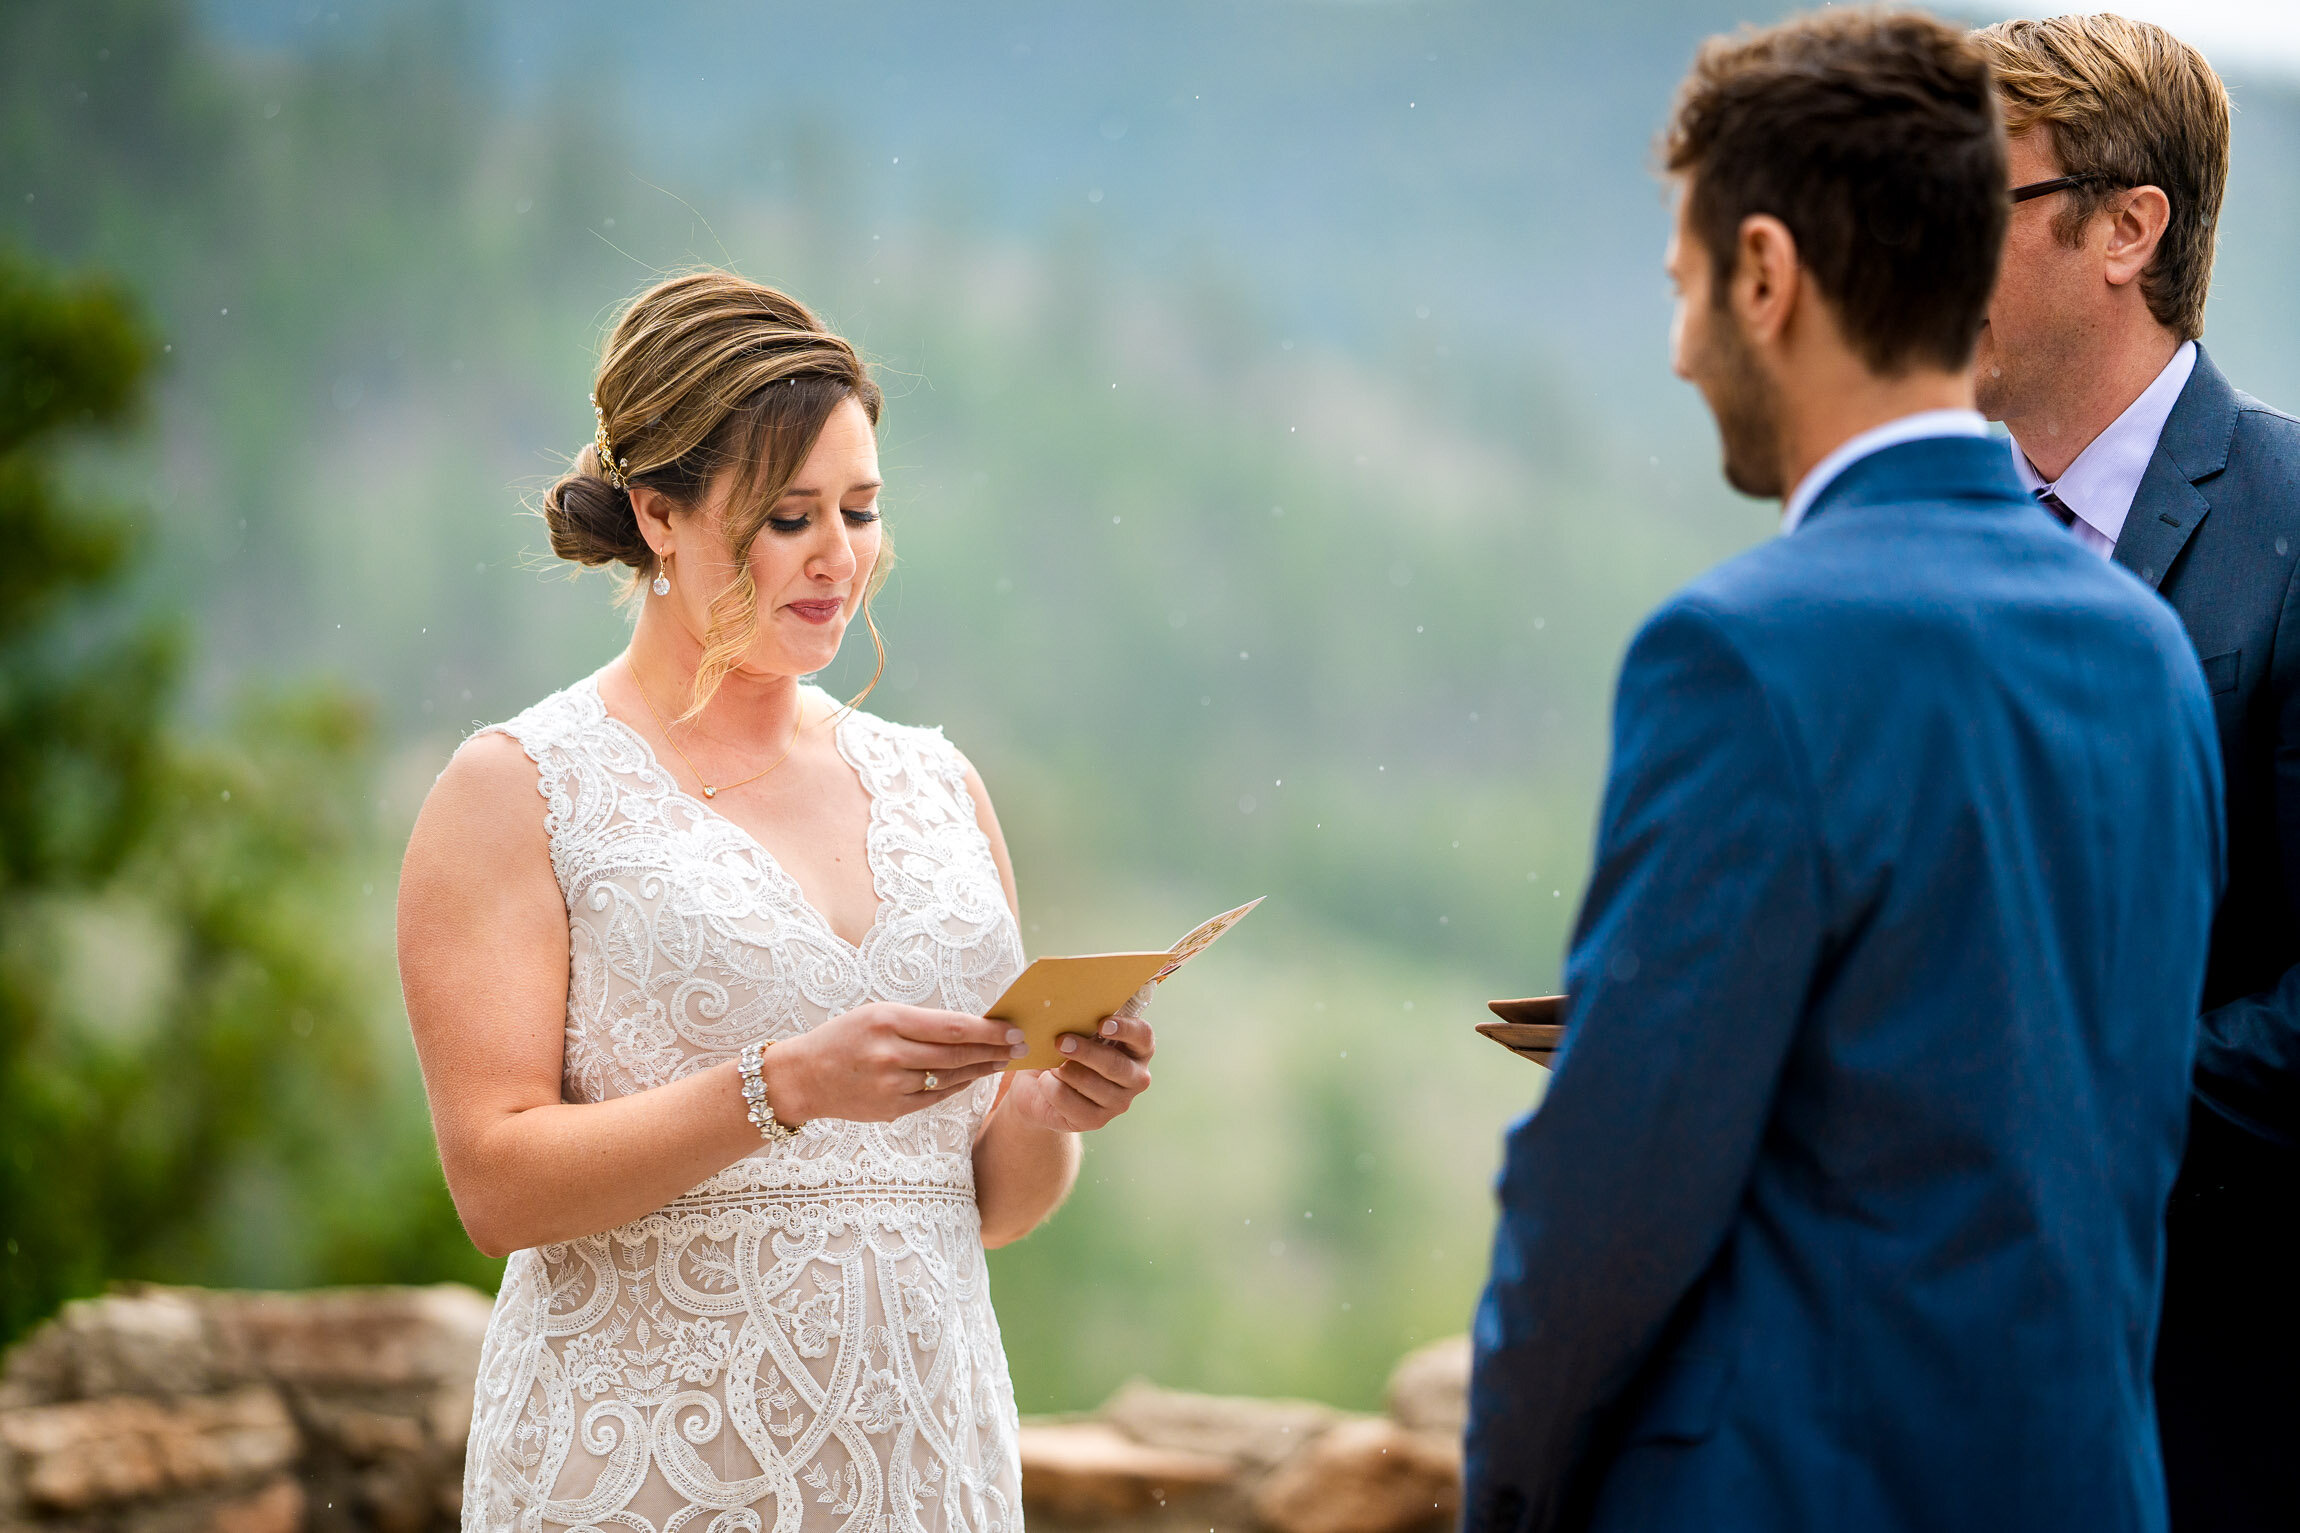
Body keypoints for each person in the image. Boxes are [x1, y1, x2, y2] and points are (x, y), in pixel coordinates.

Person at [1462, 13, 2224, 1532]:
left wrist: (1514, 1483)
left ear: (1766, 274)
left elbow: (1613, 1200)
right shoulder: (2140, 649)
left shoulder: (1740, 652)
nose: (1683, 349)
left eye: (1685, 290)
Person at [396, 272, 1158, 1533]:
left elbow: (989, 1206)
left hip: (926, 1468)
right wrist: (781, 1088)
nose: (837, 557)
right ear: (658, 515)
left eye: (858, 509)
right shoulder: (518, 788)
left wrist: (1049, 1100)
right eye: (787, 517)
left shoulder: (938, 784)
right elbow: (495, 1185)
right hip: (643, 1475)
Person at [1971, 18, 2300, 1529]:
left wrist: (2022, 1089)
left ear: (2127, 228)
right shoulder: (1907, 542)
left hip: (2219, 1406)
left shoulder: (2295, 526)